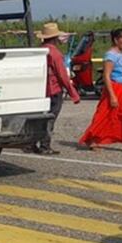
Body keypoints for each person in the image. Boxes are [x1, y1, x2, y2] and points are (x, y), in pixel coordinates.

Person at [79, 28, 122, 153]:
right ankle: (94, 139)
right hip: (117, 88)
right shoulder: (111, 55)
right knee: (107, 115)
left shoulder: (121, 53)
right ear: (116, 40)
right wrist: (113, 95)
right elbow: (106, 75)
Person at [29, 22, 81, 155]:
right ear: (55, 38)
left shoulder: (40, 50)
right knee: (50, 118)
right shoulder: (55, 53)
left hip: (40, 89)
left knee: (38, 117)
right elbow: (62, 75)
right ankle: (45, 145)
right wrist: (73, 93)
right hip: (53, 90)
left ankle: (32, 142)